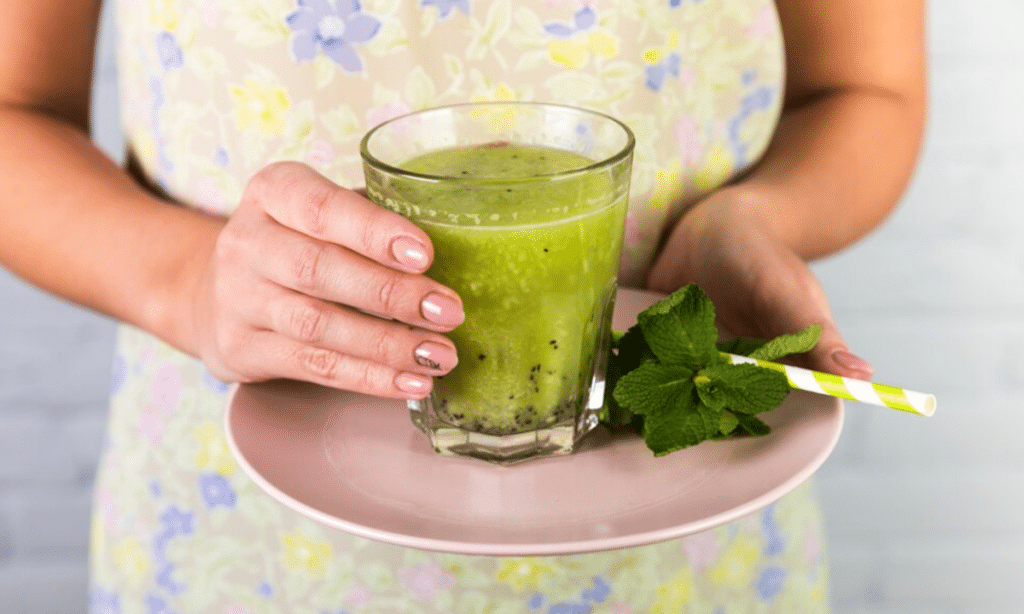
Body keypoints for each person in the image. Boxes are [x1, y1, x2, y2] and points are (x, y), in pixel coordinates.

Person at [0, 0, 925, 611]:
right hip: (240, 543)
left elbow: (865, 87)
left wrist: (751, 220)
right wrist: (189, 281)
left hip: (685, 533)